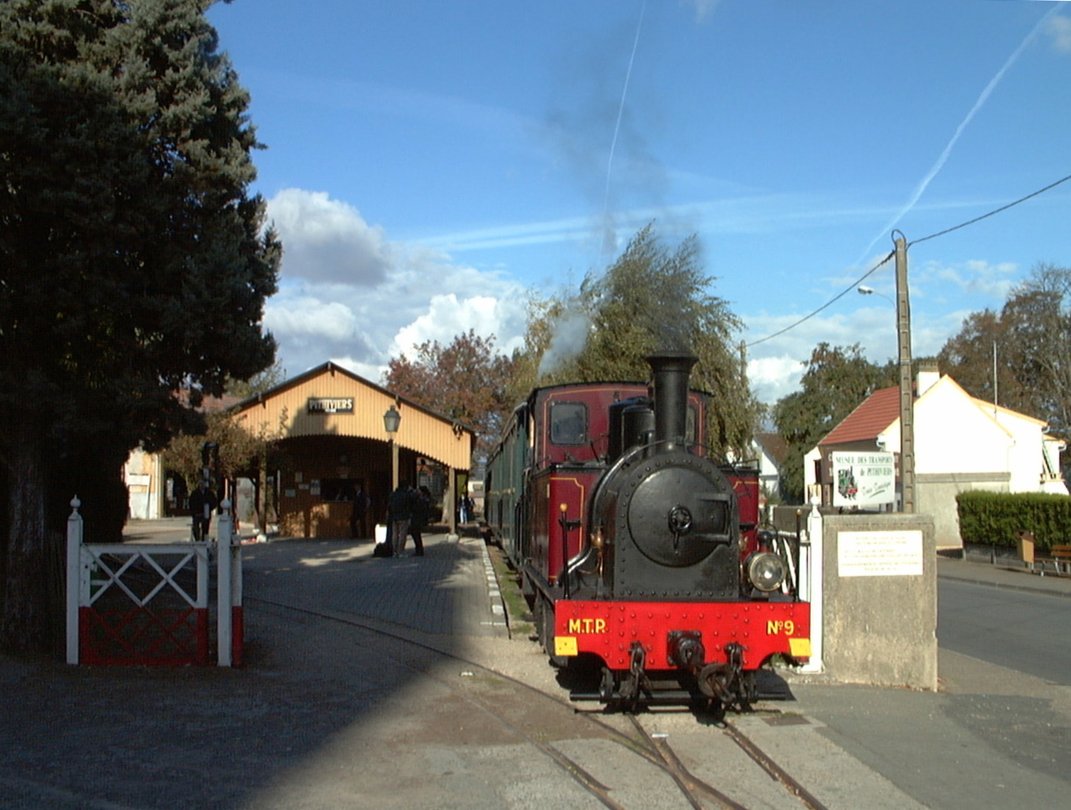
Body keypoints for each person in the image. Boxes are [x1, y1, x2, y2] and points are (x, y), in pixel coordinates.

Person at [387, 483, 413, 557]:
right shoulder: (406, 495)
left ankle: (394, 551)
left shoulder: (393, 494)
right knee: (402, 535)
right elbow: (409, 505)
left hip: (394, 517)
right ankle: (400, 551)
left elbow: (389, 505)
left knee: (394, 534)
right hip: (403, 517)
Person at [407, 486, 430, 557]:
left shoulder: (421, 500)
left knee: (416, 534)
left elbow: (415, 507)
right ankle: (419, 549)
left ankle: (419, 550)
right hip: (418, 519)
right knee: (416, 535)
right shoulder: (424, 499)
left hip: (417, 519)